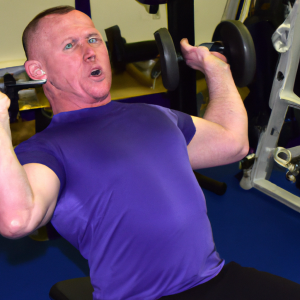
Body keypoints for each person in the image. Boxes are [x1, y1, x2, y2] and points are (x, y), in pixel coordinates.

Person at [0, 5, 299, 300]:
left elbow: (234, 144)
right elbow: (16, 221)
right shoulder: (44, 150)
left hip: (215, 278)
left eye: (93, 39)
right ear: (38, 70)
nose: (90, 51)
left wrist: (216, 68)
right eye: (70, 45)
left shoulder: (155, 115)